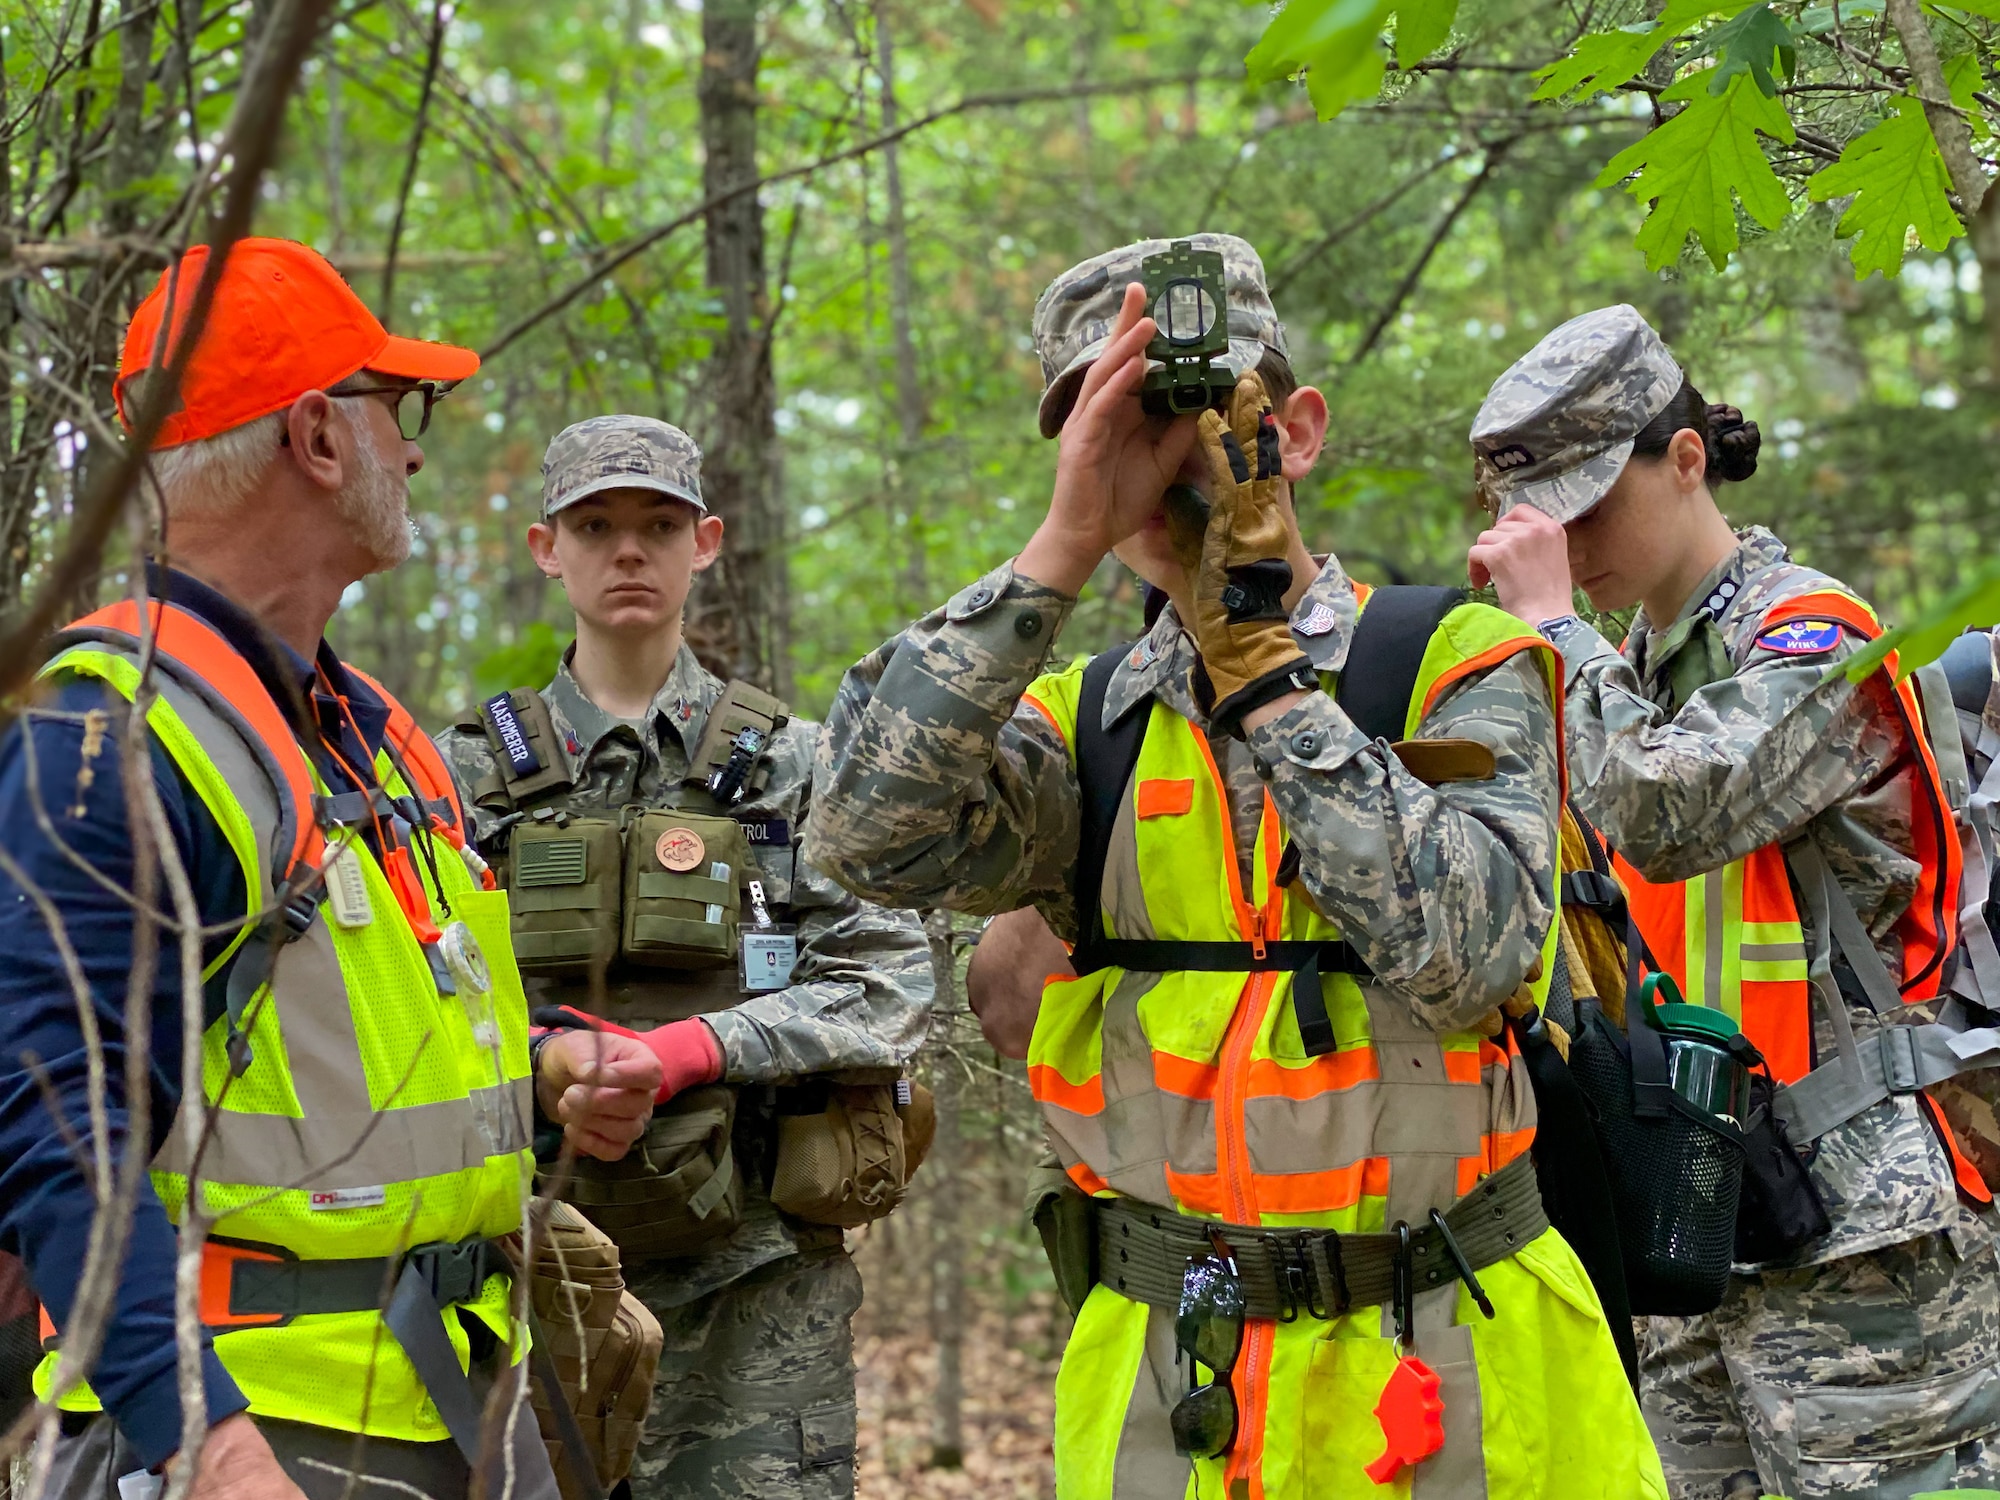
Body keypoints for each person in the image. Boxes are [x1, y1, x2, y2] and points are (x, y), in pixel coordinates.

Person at [807, 234, 1664, 1499]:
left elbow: (1471, 953)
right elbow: (862, 835)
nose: (1166, 457)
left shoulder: (1458, 659)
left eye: (1198, 410)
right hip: (1176, 1378)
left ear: (1295, 431)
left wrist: (1260, 669)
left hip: (1455, 1359)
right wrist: (1058, 546)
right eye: (1119, 418)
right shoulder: (1077, 718)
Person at [0, 239, 662, 1500]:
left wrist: (547, 1070)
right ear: (314, 436)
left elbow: (347, 1061)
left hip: (459, 1401)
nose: (412, 451)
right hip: (255, 1436)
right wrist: (211, 1448)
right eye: (395, 410)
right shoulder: (104, 743)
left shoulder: (367, 729)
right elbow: (55, 1133)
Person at [1467, 304, 2000, 1499]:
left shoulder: (1815, 634)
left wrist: (1550, 632)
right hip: (1702, 1215)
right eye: (1542, 515)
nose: (1568, 537)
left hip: (1867, 1241)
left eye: (1591, 499)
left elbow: (1670, 814)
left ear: (1686, 457)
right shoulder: (1639, 669)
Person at [433, 415, 932, 1500]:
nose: (627, 551)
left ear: (702, 542)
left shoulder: (793, 766)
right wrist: (549, 1067)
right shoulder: (460, 776)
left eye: (657, 525)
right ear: (544, 547)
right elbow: (405, 1005)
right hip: (524, 1271)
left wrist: (694, 1049)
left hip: (755, 1291)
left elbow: (885, 980)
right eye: (595, 524)